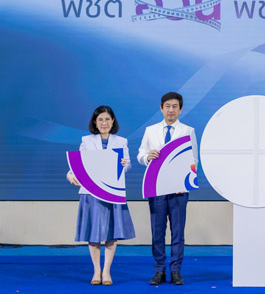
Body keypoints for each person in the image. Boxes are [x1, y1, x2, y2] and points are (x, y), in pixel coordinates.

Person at [66, 105, 136, 286]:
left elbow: (128, 166)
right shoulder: (86, 141)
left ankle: (106, 271)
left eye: (107, 119)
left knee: (112, 233)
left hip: (112, 191)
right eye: (100, 120)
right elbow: (78, 164)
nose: (104, 123)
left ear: (113, 121)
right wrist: (70, 174)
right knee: (93, 232)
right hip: (91, 193)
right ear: (95, 122)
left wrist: (124, 164)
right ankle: (96, 270)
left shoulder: (121, 141)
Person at [137, 92, 199, 286]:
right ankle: (159, 270)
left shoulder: (188, 131)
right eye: (167, 106)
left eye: (174, 106)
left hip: (179, 190)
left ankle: (175, 270)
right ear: (161, 108)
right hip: (156, 188)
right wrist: (147, 157)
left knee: (178, 231)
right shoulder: (151, 130)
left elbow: (194, 160)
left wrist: (184, 183)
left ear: (180, 109)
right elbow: (140, 154)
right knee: (157, 231)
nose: (171, 110)